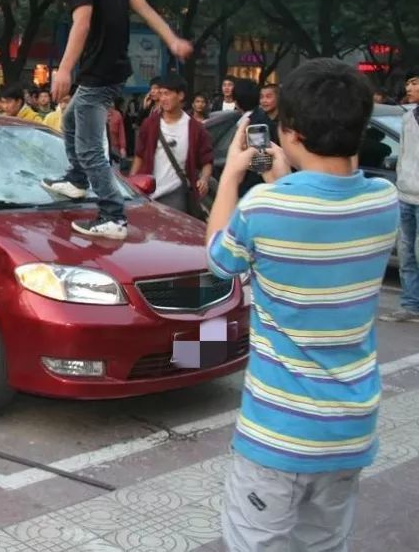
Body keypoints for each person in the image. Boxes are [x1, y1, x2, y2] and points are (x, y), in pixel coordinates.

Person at [207, 58, 397, 551]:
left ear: (288, 131)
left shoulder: (264, 208)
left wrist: (231, 175)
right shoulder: (384, 201)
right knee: (324, 545)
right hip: (351, 428)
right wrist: (284, 179)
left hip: (279, 432)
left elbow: (219, 261)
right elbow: (316, 215)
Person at [41, 0, 193, 239]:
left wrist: (64, 69)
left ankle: (113, 216)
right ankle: (77, 179)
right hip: (114, 69)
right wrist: (172, 41)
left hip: (98, 73)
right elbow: (147, 11)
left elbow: (81, 23)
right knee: (70, 118)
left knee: (90, 148)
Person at [130, 74, 213, 213]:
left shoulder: (195, 128)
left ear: (180, 95)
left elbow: (207, 160)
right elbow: (139, 156)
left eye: (167, 94)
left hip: (176, 195)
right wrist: (131, 184)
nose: (163, 99)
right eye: (161, 94)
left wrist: (204, 180)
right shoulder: (150, 124)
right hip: (148, 195)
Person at [383, 68, 419, 323]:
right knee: (406, 253)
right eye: (408, 83)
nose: (409, 88)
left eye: (415, 83)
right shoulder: (407, 117)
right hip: (405, 193)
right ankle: (410, 304)